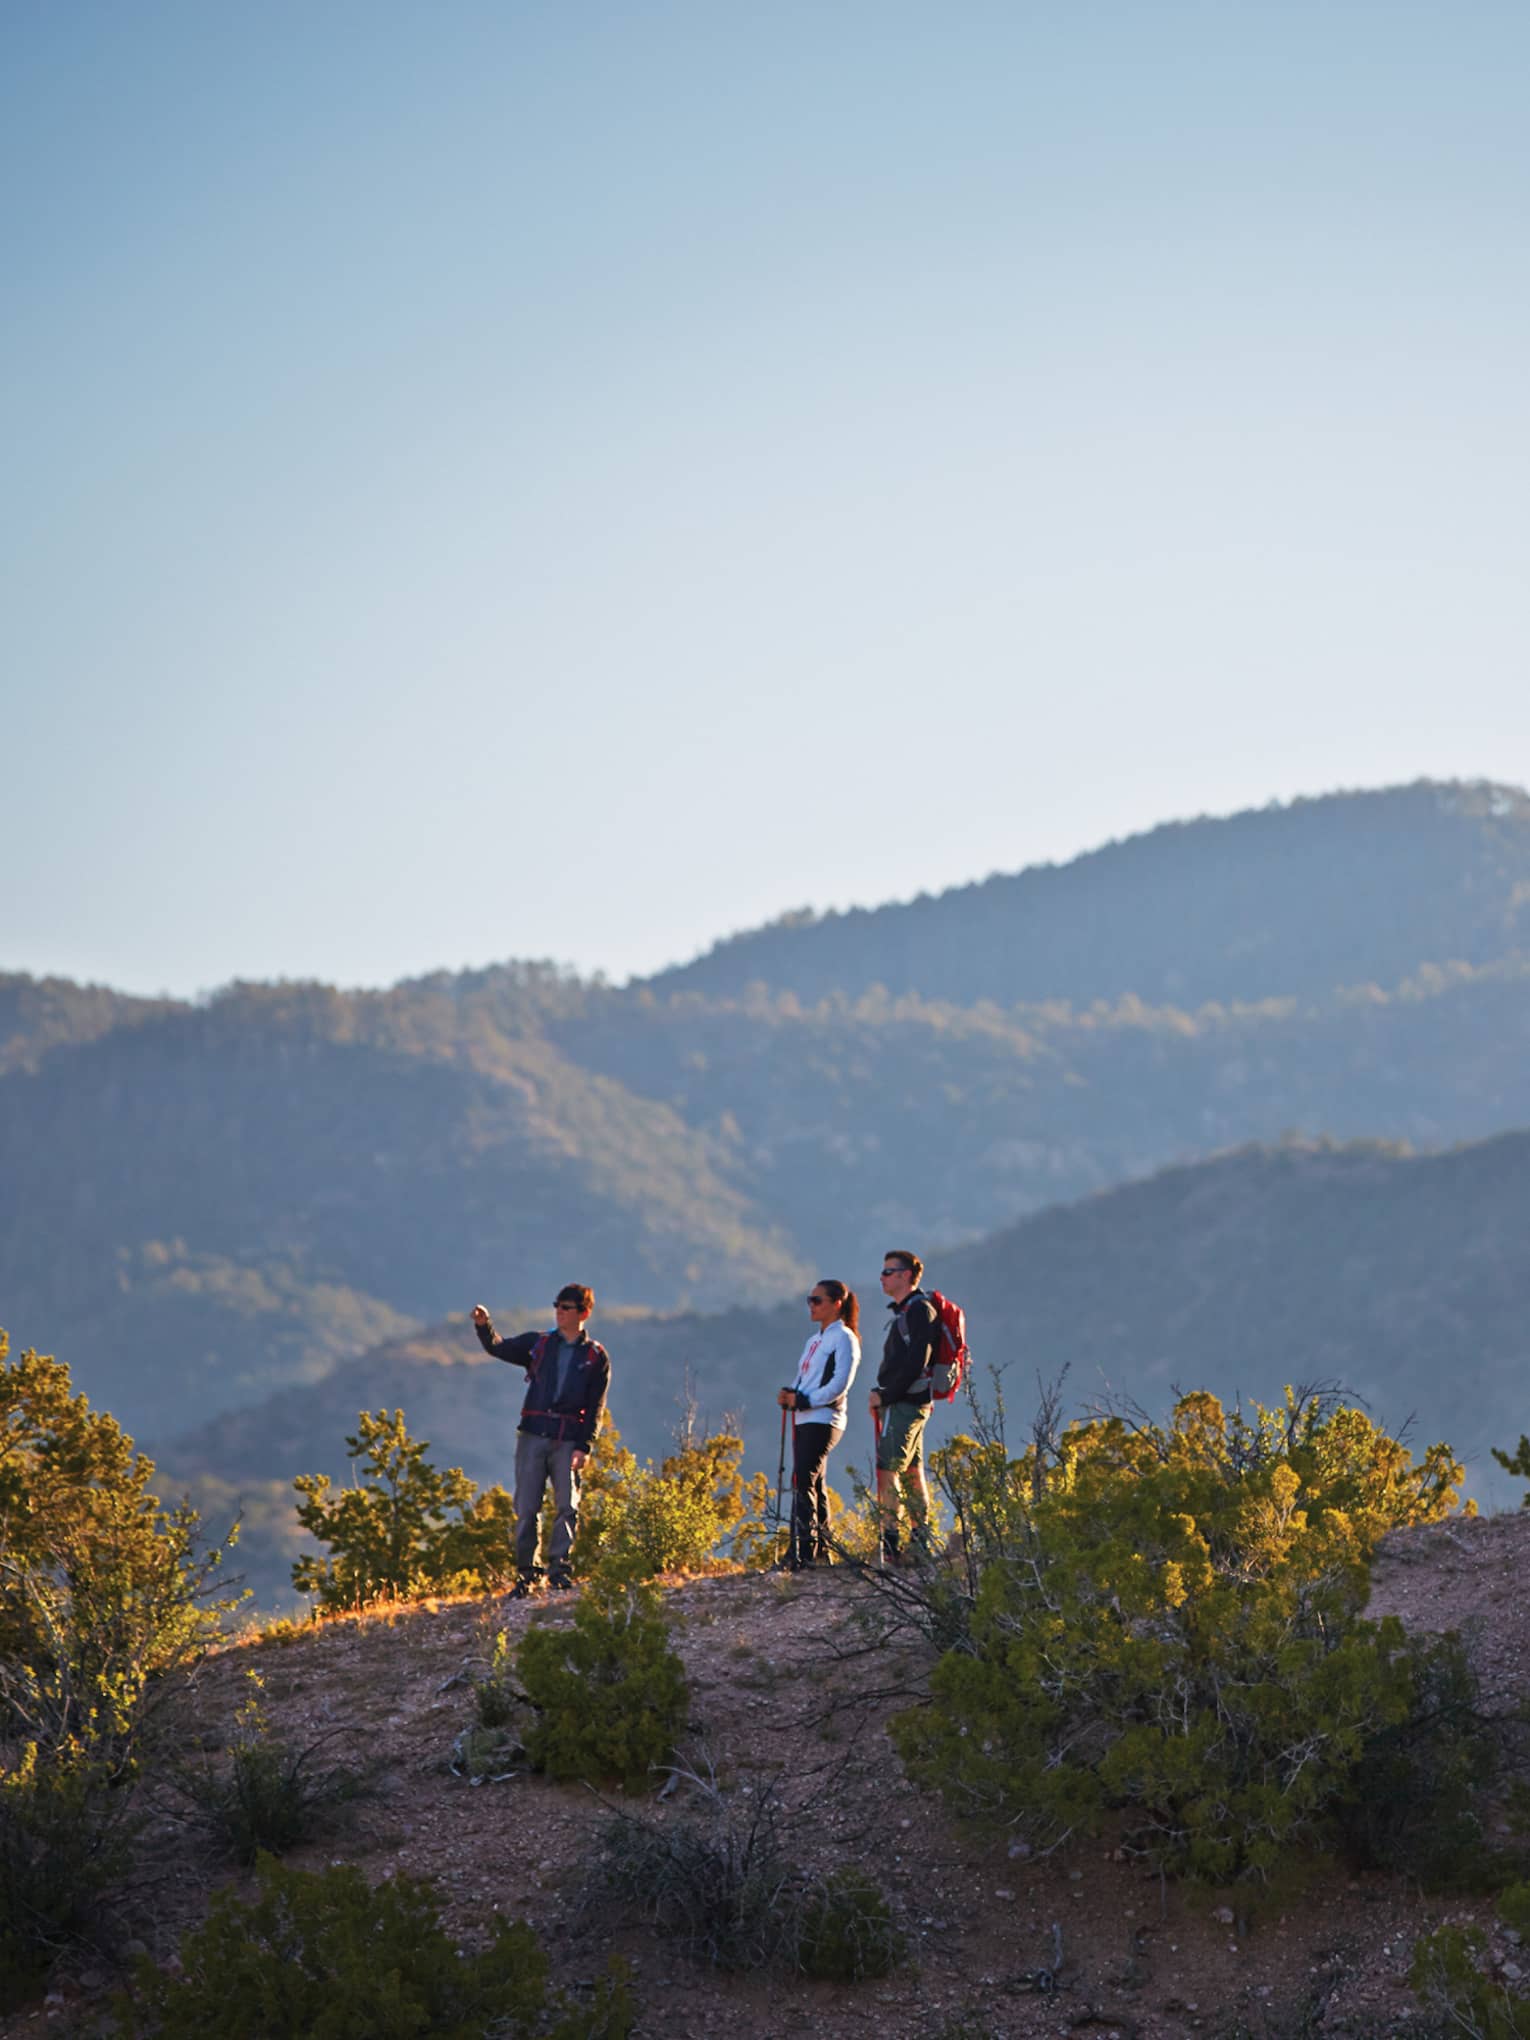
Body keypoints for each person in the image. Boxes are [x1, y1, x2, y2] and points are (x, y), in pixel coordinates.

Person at [471, 1284, 610, 1596]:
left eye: (566, 1307)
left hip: (568, 1439)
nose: (559, 1311)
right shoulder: (540, 1344)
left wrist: (584, 1446)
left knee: (567, 1507)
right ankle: (527, 1575)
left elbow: (596, 1408)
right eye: (557, 1305)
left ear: (584, 1313)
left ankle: (559, 1571)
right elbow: (498, 1347)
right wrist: (484, 1327)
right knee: (527, 1506)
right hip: (533, 1436)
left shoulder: (596, 1357)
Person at [776, 1279, 860, 1572]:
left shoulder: (845, 1338)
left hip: (824, 1418)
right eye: (809, 1300)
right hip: (804, 1418)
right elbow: (804, 1378)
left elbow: (840, 1384)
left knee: (803, 1480)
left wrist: (805, 1400)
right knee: (814, 1482)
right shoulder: (814, 1341)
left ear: (837, 1303)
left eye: (817, 1300)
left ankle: (803, 1553)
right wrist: (791, 1394)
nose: (811, 1306)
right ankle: (819, 1552)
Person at [869, 1250, 936, 1564]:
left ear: (906, 1275)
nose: (882, 1277)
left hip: (906, 1403)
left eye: (888, 1272)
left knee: (887, 1470)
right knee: (911, 1472)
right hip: (911, 1401)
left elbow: (916, 1361)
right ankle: (920, 1542)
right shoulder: (909, 1310)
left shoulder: (919, 1310)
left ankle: (892, 1545)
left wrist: (887, 1396)